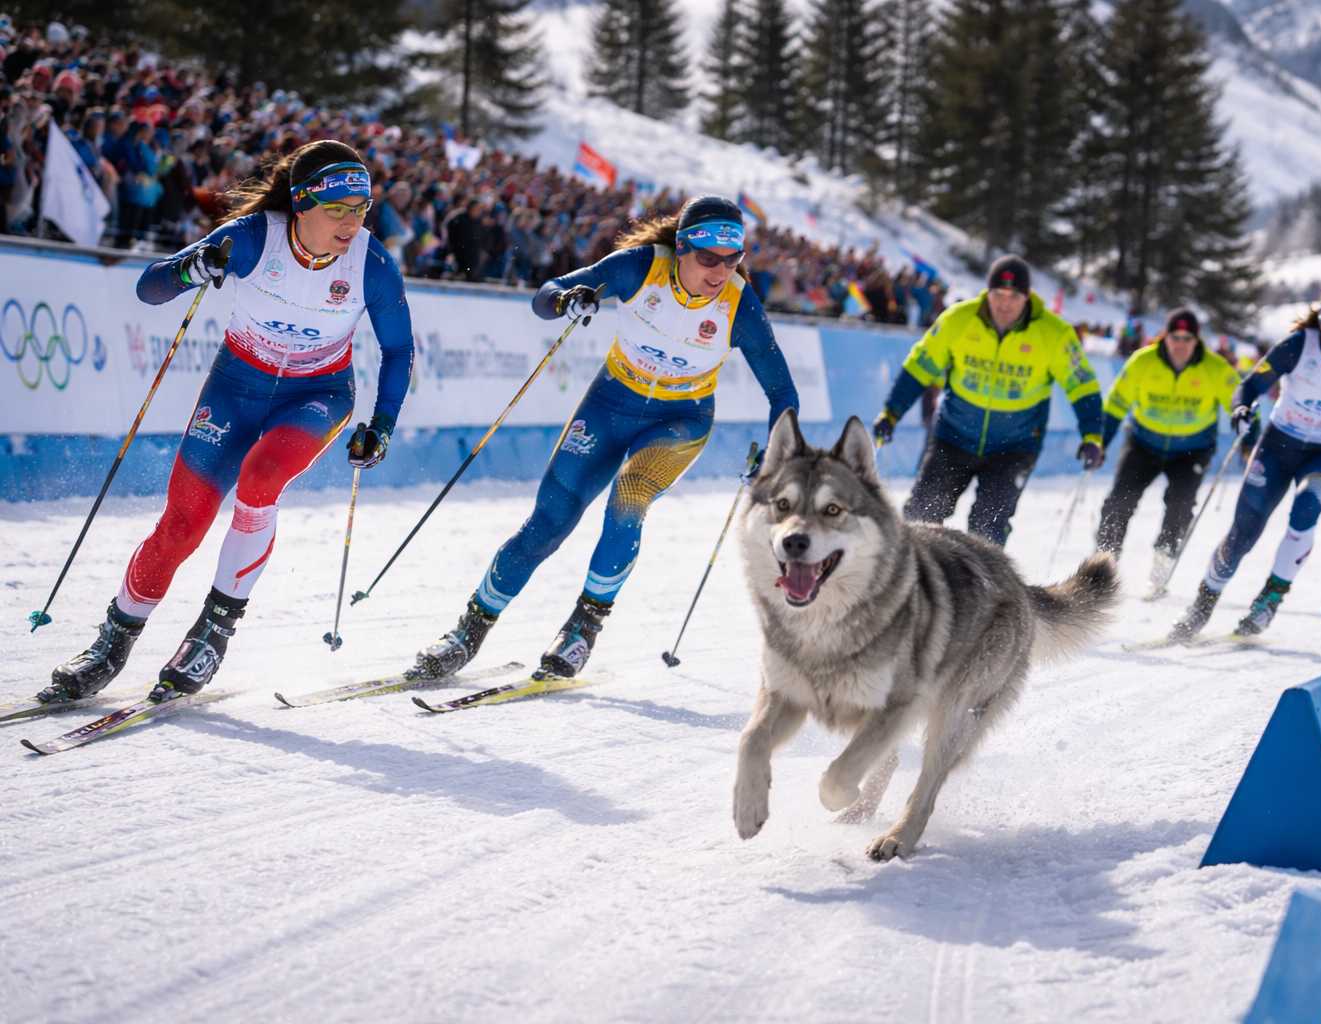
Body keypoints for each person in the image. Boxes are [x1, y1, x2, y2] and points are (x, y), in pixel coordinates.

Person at [38, 139, 415, 704]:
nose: (351, 223)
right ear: (301, 204)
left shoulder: (372, 263)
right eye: (337, 209)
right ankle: (112, 642)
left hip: (317, 394)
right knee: (182, 522)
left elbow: (399, 350)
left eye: (360, 209)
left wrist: (381, 425)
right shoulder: (252, 237)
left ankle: (213, 632)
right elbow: (150, 289)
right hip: (236, 387)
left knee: (261, 480)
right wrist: (194, 267)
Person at [409, 195, 798, 680]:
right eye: (707, 258)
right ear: (682, 249)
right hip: (609, 405)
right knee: (549, 520)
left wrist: (777, 456)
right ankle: (468, 631)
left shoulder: (738, 304)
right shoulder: (640, 267)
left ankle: (582, 628)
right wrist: (568, 299)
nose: (720, 271)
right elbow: (547, 295)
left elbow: (782, 389)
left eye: (732, 258)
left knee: (630, 494)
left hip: (680, 420)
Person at [1168, 282, 1321, 641]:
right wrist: (1242, 407)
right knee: (1244, 533)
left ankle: (1269, 599)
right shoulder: (1300, 345)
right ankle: (1201, 606)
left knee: (1305, 511)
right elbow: (1249, 386)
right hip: (1279, 446)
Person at [871, 255, 1104, 546]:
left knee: (987, 528)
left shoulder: (1054, 334)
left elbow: (1083, 388)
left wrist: (1092, 435)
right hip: (953, 436)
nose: (1004, 304)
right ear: (987, 292)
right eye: (998, 295)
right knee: (921, 514)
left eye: (1014, 296)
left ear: (1027, 297)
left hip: (1014, 447)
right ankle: (914, 586)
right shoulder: (958, 320)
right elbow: (919, 367)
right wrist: (891, 413)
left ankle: (984, 590)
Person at [1093, 308, 1241, 595]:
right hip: (1144, 443)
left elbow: (1239, 402)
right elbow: (1115, 404)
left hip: (1192, 450)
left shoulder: (1215, 368)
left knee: (1180, 506)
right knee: (1119, 501)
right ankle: (1103, 567)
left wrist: (1248, 438)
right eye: (1176, 337)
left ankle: (1160, 571)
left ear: (1197, 340)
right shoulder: (1143, 362)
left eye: (1188, 338)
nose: (1181, 344)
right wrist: (1100, 442)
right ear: (1166, 336)